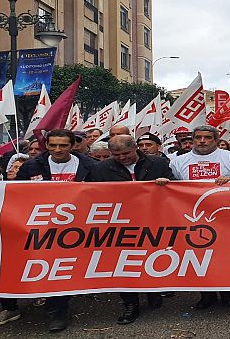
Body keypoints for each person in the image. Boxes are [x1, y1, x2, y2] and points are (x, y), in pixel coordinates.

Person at [14, 129, 96, 332]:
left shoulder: (89, 165)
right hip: (43, 227)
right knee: (51, 267)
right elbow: (16, 192)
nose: (57, 149)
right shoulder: (32, 166)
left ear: (72, 146)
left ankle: (60, 305)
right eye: (53, 145)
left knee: (68, 267)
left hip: (79, 227)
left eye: (63, 145)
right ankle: (56, 310)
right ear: (46, 146)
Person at [86, 135, 174, 324]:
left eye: (126, 153)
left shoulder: (158, 163)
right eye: (116, 154)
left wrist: (165, 183)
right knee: (123, 263)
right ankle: (130, 304)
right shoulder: (100, 169)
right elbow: (92, 195)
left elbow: (175, 187)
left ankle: (153, 292)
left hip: (154, 221)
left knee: (153, 258)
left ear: (135, 148)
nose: (122, 157)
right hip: (119, 224)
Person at [169, 125, 230, 309]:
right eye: (198, 138)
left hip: (224, 215)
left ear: (216, 139)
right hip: (192, 216)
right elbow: (172, 186)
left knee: (224, 255)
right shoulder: (179, 161)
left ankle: (227, 292)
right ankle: (206, 294)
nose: (202, 141)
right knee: (198, 257)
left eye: (207, 138)